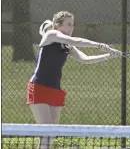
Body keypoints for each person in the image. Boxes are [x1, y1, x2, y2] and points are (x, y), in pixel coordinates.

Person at [26, 11, 122, 149]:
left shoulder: (67, 46)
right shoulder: (51, 35)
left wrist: (108, 55)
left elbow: (85, 59)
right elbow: (75, 40)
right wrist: (99, 45)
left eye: (73, 24)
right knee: (46, 132)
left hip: (55, 90)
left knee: (51, 134)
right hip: (38, 88)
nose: (72, 27)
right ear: (58, 26)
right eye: (68, 24)